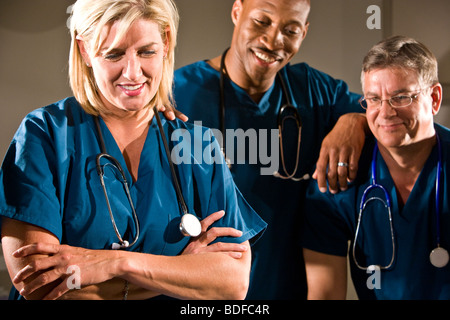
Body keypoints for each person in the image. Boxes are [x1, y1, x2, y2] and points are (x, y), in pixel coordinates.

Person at [0, 0, 267, 300]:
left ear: (166, 42)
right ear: (85, 50)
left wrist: (117, 264)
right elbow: (41, 284)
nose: (132, 72)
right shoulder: (45, 135)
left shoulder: (198, 145)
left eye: (146, 51)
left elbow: (232, 283)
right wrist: (180, 271)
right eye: (114, 54)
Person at [173, 0, 367, 299]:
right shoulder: (176, 92)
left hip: (288, 289)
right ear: (237, 11)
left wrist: (354, 120)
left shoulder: (316, 93)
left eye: (290, 30)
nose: (274, 40)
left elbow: (381, 111)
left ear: (303, 33)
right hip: (203, 293)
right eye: (262, 21)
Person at [302, 35, 450, 300]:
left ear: (435, 98)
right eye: (373, 99)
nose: (386, 112)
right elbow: (324, 294)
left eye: (401, 97)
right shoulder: (339, 175)